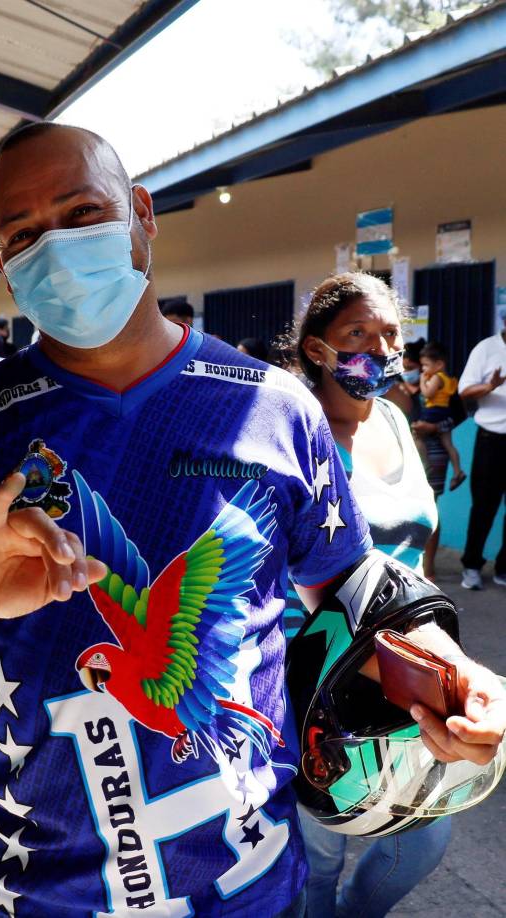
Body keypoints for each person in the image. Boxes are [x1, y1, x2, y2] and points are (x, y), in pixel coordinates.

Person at [0, 124, 505, 918]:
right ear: (1, 261)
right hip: (36, 894)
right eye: (23, 234)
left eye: (82, 213)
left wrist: (452, 674)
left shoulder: (274, 408)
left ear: (140, 213)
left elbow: (353, 591)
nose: (57, 248)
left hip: (251, 890)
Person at [286, 272, 452, 917]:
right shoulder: (297, 429)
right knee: (320, 855)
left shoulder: (392, 416)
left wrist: (430, 619)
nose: (379, 349)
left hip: (409, 664)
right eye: (357, 333)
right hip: (322, 675)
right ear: (316, 348)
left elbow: (419, 530)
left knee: (420, 840)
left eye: (389, 334)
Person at [458, 320, 506, 590]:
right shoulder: (486, 349)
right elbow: (464, 391)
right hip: (492, 441)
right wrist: (490, 385)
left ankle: (503, 568)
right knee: (484, 508)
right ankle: (472, 566)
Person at [413, 341, 465, 491]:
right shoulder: (449, 379)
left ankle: (425, 464)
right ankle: (458, 471)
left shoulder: (436, 378)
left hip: (433, 413)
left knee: (416, 434)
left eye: (425, 365)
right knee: (449, 444)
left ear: (439, 364)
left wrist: (423, 382)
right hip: (443, 413)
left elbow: (427, 394)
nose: (423, 369)